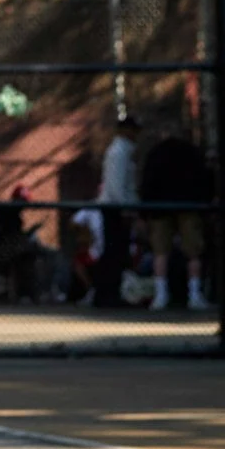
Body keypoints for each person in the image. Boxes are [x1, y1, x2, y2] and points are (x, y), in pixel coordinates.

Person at [138, 126, 211, 311]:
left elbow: (147, 182)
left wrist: (145, 210)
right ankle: (194, 295)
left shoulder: (156, 154)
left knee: (160, 252)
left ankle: (161, 295)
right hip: (188, 205)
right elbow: (205, 178)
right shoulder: (192, 153)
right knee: (193, 252)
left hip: (160, 208)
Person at [92, 112, 141, 307]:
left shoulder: (125, 152)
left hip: (119, 207)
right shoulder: (118, 152)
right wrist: (124, 209)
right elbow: (116, 184)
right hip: (115, 209)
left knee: (118, 252)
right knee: (113, 252)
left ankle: (111, 292)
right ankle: (106, 294)